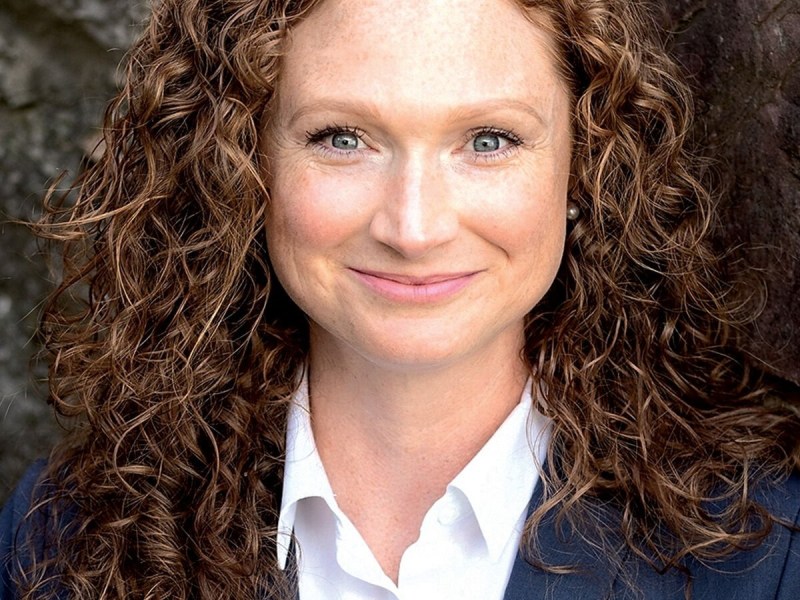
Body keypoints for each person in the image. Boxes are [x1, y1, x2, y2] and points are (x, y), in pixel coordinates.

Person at [2, 0, 799, 598]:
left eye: (489, 140)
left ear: (586, 167)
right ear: (238, 166)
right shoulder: (58, 533)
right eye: (341, 137)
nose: (413, 227)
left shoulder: (769, 549)